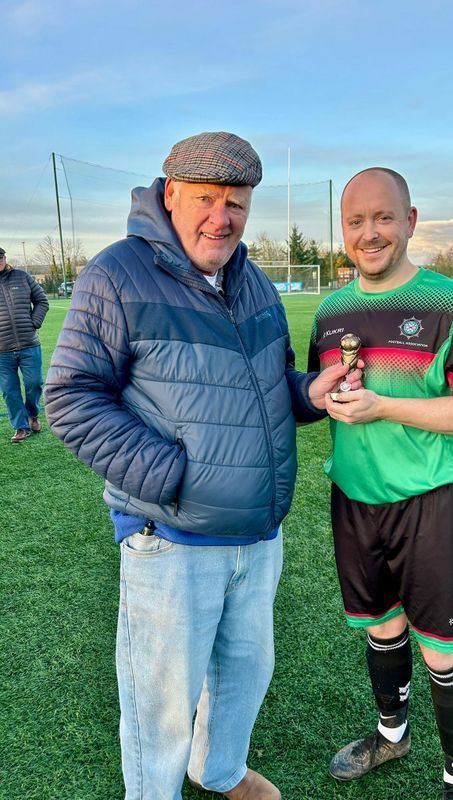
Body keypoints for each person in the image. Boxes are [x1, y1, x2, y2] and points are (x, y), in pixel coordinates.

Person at [44, 132, 360, 800]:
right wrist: (175, 479)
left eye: (237, 203)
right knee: (159, 708)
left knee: (244, 678)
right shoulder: (117, 274)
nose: (222, 216)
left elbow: (269, 382)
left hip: (256, 537)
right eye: (207, 199)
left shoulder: (252, 281)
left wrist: (310, 393)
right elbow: (70, 398)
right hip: (173, 539)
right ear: (170, 194)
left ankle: (218, 772)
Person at [307, 168, 453, 800]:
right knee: (380, 628)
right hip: (355, 501)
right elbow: (326, 395)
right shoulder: (331, 310)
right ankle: (391, 735)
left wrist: (385, 407)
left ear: (411, 221)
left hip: (431, 505)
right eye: (356, 221)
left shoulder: (452, 304)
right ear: (344, 231)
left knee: (441, 648)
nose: (370, 233)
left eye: (384, 218)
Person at [0, 246, 49, 443]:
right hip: (2, 352)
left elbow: (42, 301)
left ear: (5, 257)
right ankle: (21, 427)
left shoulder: (21, 276)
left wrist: (34, 322)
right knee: (9, 390)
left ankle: (32, 415)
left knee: (34, 384)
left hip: (29, 345)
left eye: (1, 256)